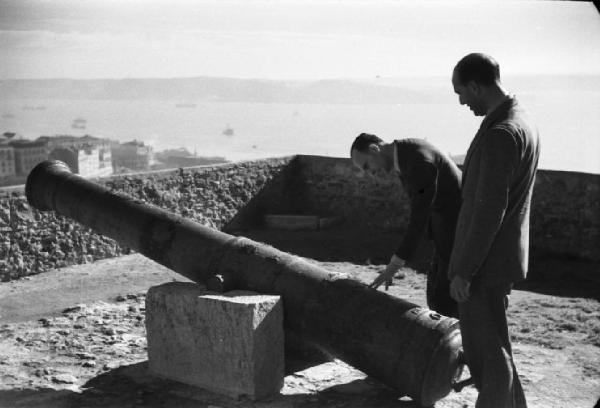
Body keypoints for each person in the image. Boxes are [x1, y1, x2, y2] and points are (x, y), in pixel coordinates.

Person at [448, 53, 540, 408]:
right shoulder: (520, 120)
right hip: (500, 259)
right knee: (496, 347)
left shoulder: (501, 133)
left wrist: (464, 271)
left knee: (488, 357)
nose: (461, 101)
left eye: (461, 92)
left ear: (476, 85)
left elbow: (488, 212)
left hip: (485, 264)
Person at [351, 133, 461, 318]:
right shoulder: (406, 152)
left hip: (457, 234)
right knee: (437, 298)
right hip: (446, 231)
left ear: (374, 149)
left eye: (367, 166)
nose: (370, 174)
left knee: (444, 304)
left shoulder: (417, 162)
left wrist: (394, 265)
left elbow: (419, 217)